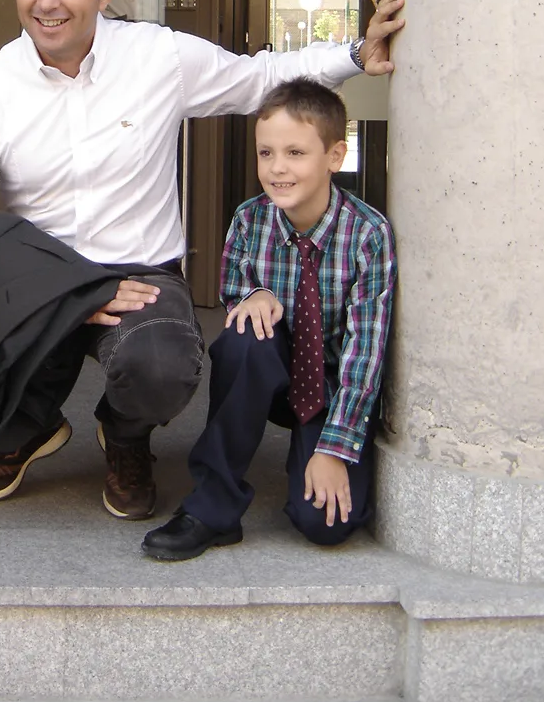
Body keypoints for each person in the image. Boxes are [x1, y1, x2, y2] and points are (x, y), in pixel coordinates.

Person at [0, 0, 404, 520]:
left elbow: (259, 78)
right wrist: (57, 295)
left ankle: (124, 437)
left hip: (139, 273)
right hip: (32, 277)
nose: (46, 1)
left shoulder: (157, 56)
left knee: (162, 365)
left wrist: (355, 54)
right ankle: (20, 430)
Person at [141, 79, 396, 561]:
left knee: (324, 525)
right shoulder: (249, 220)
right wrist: (252, 295)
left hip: (329, 385)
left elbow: (366, 354)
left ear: (335, 156)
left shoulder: (368, 235)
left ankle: (312, 454)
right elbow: (233, 287)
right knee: (245, 336)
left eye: (295, 153)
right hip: (268, 373)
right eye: (266, 153)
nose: (277, 168)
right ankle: (212, 506)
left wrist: (334, 449)